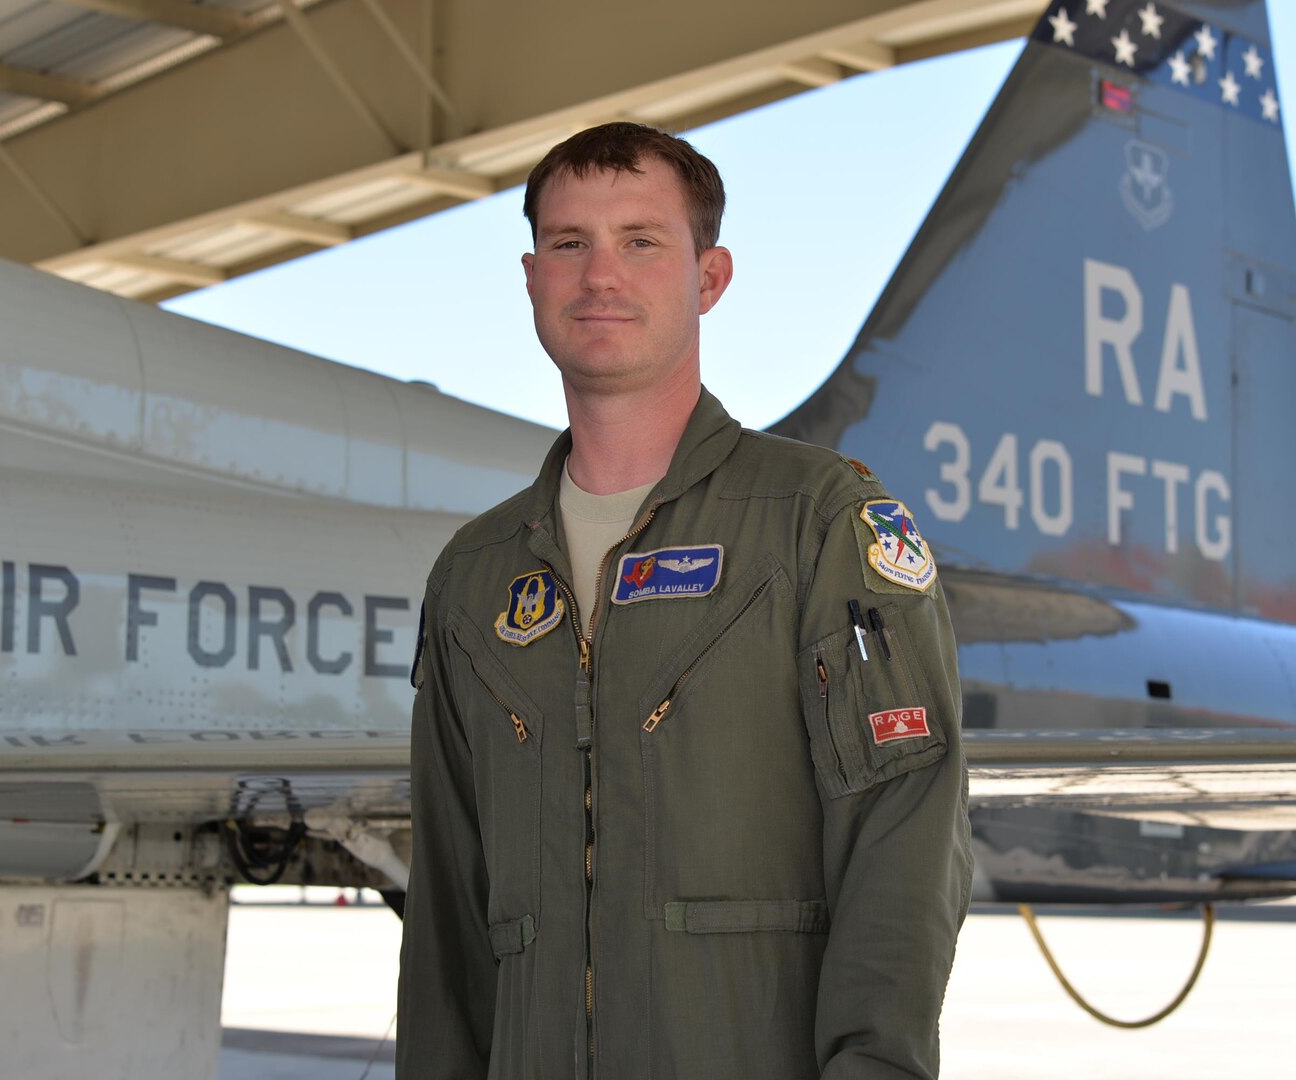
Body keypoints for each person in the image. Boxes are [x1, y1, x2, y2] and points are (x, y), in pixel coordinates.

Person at [399, 122, 972, 1079]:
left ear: (710, 278)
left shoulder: (819, 522)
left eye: (641, 241)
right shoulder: (476, 575)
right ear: (533, 278)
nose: (600, 277)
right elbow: (449, 912)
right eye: (570, 244)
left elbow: (902, 840)